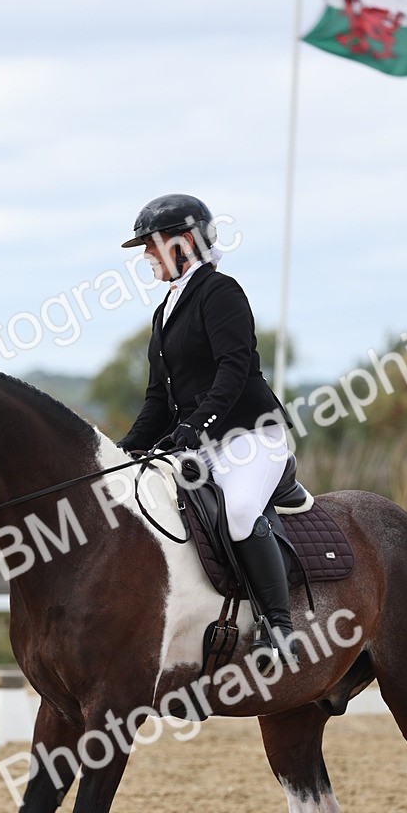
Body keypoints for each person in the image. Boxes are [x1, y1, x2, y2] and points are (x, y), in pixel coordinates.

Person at [117, 193, 298, 672]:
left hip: (249, 433)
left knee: (239, 511)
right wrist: (121, 452)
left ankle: (279, 626)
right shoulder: (164, 312)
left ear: (185, 242)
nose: (147, 255)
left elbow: (233, 369)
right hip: (201, 443)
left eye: (152, 245)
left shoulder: (220, 292)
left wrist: (197, 425)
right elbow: (159, 399)